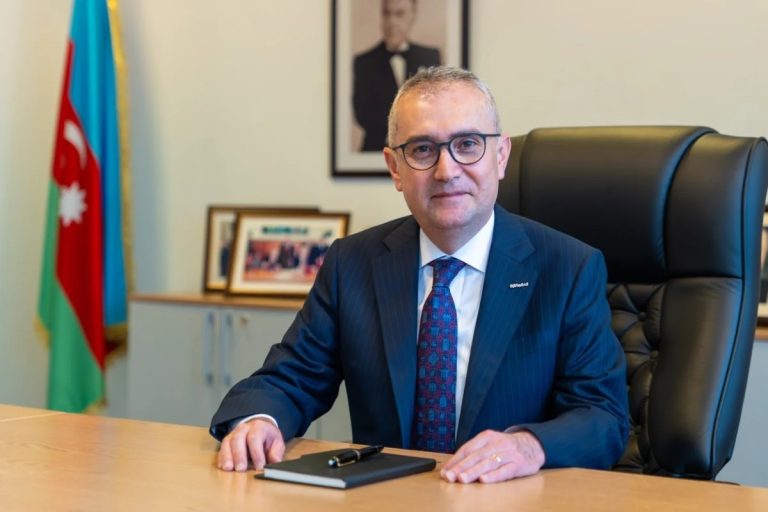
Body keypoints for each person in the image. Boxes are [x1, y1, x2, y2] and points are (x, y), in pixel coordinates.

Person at [211, 66, 629, 484]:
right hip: (387, 497)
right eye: (423, 150)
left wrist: (529, 445)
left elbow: (602, 416)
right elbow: (292, 377)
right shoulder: (352, 263)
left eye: (468, 145)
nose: (447, 171)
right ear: (395, 168)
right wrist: (260, 419)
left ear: (500, 157)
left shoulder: (568, 268)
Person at [353, 0, 441, 151]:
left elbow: (437, 107)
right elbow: (362, 114)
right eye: (387, 14)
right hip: (376, 149)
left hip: (423, 149)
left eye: (399, 14)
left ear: (412, 15)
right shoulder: (364, 62)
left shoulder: (430, 57)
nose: (392, 22)